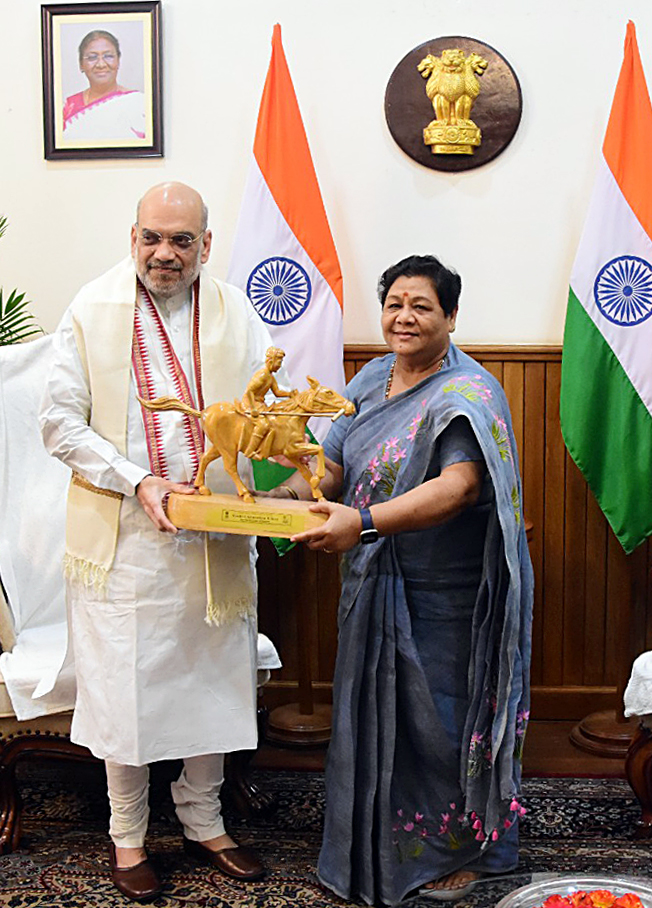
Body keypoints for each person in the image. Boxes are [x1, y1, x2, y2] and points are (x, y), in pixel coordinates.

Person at [40, 182, 279, 901]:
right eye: (152, 237)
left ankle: (205, 822)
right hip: (126, 538)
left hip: (216, 537)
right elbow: (59, 425)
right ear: (133, 236)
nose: (165, 253)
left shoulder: (239, 314)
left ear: (206, 245)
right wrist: (138, 481)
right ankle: (128, 836)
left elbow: (269, 409)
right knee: (127, 692)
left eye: (181, 240)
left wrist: (288, 478)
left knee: (212, 682)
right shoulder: (91, 308)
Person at [271, 255, 533, 904]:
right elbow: (332, 467)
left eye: (422, 305)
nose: (405, 316)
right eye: (394, 303)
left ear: (450, 316)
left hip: (446, 596)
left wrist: (359, 522)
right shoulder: (369, 379)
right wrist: (293, 489)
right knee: (377, 723)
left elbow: (459, 487)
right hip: (371, 585)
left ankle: (476, 851)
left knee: (441, 728)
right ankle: (376, 847)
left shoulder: (468, 392)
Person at [63, 29, 145, 141]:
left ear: (118, 61)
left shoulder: (139, 103)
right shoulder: (68, 107)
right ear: (81, 64)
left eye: (108, 56)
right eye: (92, 57)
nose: (101, 64)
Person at [239, 345, 295, 458]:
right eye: (279, 362)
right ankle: (250, 450)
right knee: (263, 425)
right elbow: (249, 391)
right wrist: (253, 409)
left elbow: (277, 392)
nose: (279, 366)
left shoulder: (270, 377)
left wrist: (290, 394)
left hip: (259, 404)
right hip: (251, 403)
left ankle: (265, 449)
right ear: (271, 361)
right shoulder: (262, 375)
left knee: (274, 421)